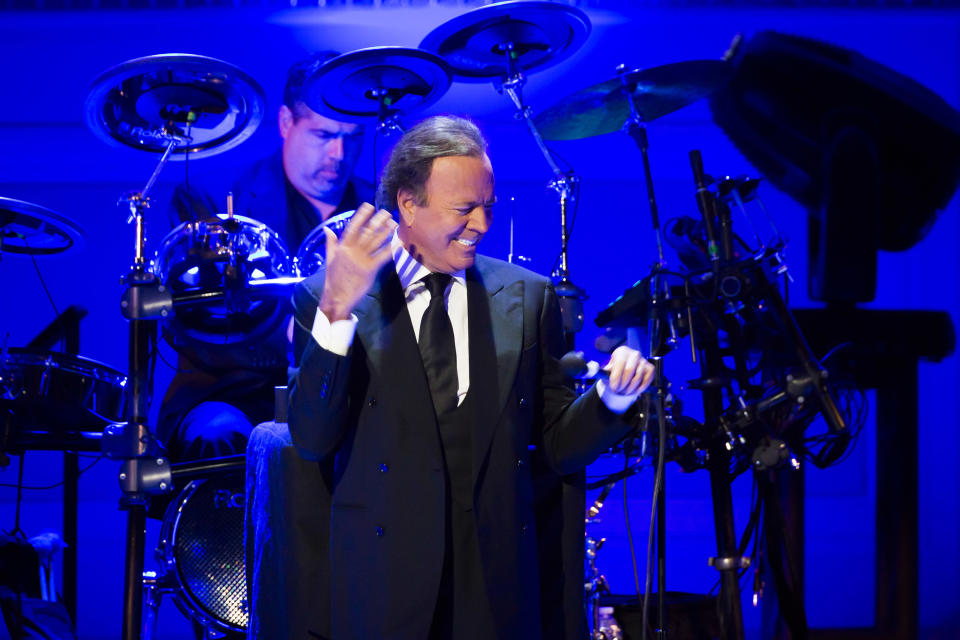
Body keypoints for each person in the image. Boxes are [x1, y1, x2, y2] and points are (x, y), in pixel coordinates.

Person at [287, 115, 655, 639]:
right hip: (385, 591)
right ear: (409, 204)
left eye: (488, 205)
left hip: (496, 588)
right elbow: (311, 436)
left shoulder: (529, 298)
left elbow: (553, 447)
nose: (481, 225)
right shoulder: (334, 297)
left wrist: (611, 401)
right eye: (464, 209)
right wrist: (338, 310)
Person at [157, 51, 371, 462]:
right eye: (325, 135)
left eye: (353, 137)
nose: (340, 155)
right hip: (233, 393)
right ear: (287, 123)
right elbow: (200, 330)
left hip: (346, 395)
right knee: (220, 435)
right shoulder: (209, 198)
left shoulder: (380, 207)